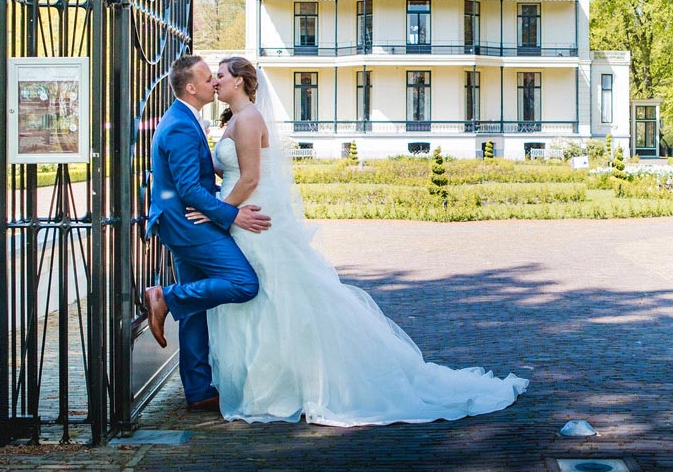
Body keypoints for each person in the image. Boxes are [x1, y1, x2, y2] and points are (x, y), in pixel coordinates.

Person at [195, 55, 528, 426]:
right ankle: (267, 383)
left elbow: (251, 178)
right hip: (245, 213)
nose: (215, 82)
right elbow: (229, 166)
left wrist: (218, 213)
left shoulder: (249, 118)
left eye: (220, 75)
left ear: (239, 81)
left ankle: (281, 387)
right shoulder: (235, 120)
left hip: (254, 215)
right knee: (262, 296)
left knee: (273, 295)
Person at [143, 55, 271, 412]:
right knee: (244, 283)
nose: (214, 83)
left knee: (195, 306)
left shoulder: (187, 117)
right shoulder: (182, 124)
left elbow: (200, 175)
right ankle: (165, 297)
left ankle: (198, 390)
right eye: (207, 78)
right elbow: (187, 187)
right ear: (190, 88)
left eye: (217, 77)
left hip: (182, 221)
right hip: (188, 223)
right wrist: (230, 214)